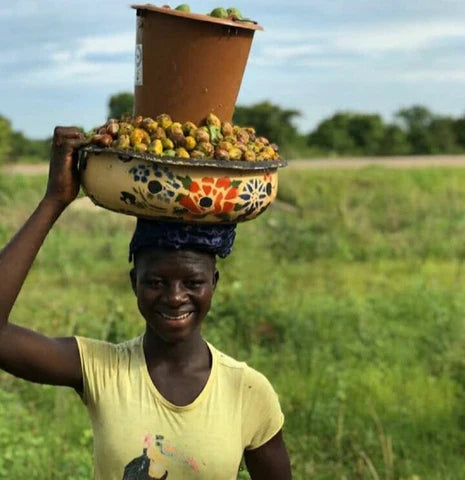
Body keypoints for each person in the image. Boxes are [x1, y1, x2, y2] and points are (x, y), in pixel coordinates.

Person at [0, 127, 292, 479]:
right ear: (133, 283)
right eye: (155, 282)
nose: (174, 297)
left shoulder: (247, 391)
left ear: (213, 284)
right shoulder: (101, 370)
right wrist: (54, 200)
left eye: (193, 282)